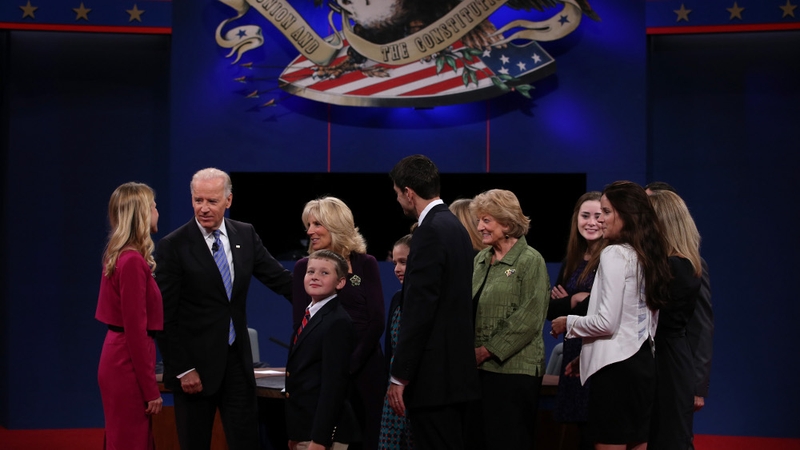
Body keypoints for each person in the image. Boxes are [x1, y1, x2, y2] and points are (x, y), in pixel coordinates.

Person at [155, 168, 293, 450]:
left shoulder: (245, 233)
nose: (203, 208)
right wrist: (182, 369)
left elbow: (280, 280)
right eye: (198, 200)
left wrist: (324, 298)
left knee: (246, 442)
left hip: (237, 365)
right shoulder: (173, 245)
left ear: (228, 200)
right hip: (195, 368)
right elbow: (164, 315)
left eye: (212, 201)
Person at [551, 181, 672, 449]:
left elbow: (606, 322)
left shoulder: (615, 253)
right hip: (643, 365)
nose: (601, 219)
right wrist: (587, 355)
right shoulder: (647, 253)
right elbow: (641, 323)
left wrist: (567, 321)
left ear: (625, 214)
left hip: (617, 373)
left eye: (606, 212)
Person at [385, 155, 480, 450]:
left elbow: (419, 309)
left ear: (409, 192)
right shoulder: (456, 228)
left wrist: (400, 374)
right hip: (456, 375)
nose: (399, 201)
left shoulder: (429, 233)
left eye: (398, 194)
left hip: (433, 379)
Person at [292, 196, 385, 450]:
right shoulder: (304, 268)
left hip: (365, 371)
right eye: (308, 225)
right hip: (322, 377)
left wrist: (349, 365)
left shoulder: (366, 264)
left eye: (316, 224)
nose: (309, 231)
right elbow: (302, 326)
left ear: (336, 225)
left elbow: (376, 321)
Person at [470, 189, 550, 449]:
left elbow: (530, 317)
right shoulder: (481, 259)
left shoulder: (530, 260)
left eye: (486, 220)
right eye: (479, 220)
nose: (479, 226)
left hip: (515, 371)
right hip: (480, 371)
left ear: (506, 222)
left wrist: (486, 351)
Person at [96, 182, 163, 450]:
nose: (158, 212)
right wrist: (151, 391)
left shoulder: (122, 256)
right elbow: (135, 330)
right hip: (126, 362)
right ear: (142, 214)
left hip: (119, 357)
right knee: (130, 441)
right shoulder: (133, 261)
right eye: (154, 207)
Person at [645, 182, 713, 434]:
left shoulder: (689, 266)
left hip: (674, 367)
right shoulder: (651, 264)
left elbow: (701, 325)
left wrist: (697, 385)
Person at [545, 191, 605, 450]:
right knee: (577, 436)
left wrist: (573, 302)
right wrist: (574, 301)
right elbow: (550, 308)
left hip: (597, 351)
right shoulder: (571, 260)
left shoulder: (611, 258)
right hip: (573, 349)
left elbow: (603, 307)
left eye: (598, 216)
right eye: (585, 216)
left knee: (597, 431)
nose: (591, 222)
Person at [286, 250, 359, 450]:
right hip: (304, 429)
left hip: (322, 435)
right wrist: (296, 431)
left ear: (340, 282)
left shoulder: (337, 322)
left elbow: (333, 386)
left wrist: (320, 439)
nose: (315, 277)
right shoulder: (310, 314)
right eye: (311, 271)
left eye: (324, 273)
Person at [379, 234, 413, 450]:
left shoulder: (429, 301)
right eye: (394, 263)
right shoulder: (396, 298)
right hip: (393, 392)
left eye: (403, 262)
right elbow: (390, 348)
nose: (397, 269)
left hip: (416, 390)